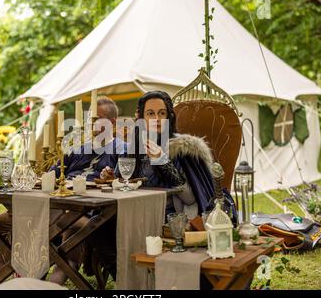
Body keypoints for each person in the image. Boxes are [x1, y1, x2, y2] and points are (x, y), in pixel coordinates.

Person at [0, 97, 124, 290]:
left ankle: (52, 284)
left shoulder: (122, 150)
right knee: (2, 221)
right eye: (89, 119)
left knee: (73, 226)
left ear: (112, 123)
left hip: (86, 211)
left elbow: (125, 180)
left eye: (97, 119)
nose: (90, 125)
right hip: (52, 205)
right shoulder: (77, 149)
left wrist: (111, 176)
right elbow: (50, 174)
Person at [93, 91, 237, 285]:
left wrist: (163, 161)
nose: (157, 119)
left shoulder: (183, 148)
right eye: (150, 114)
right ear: (141, 117)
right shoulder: (133, 147)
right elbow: (122, 180)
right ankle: (128, 280)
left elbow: (190, 198)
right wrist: (110, 176)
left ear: (169, 116)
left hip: (167, 216)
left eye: (162, 113)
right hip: (134, 212)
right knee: (97, 226)